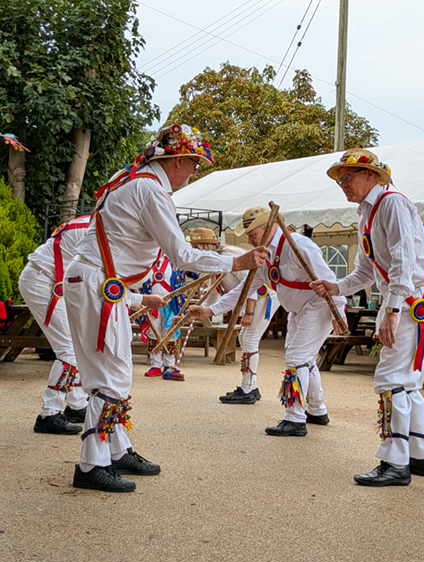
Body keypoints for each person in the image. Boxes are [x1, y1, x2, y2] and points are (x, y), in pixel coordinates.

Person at [64, 124, 268, 493]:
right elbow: (182, 254)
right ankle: (91, 464)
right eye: (194, 164)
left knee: (109, 368)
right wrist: (237, 264)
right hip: (100, 284)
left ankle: (117, 447)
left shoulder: (127, 179)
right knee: (112, 374)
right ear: (177, 160)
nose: (193, 173)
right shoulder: (151, 190)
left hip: (97, 282)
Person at [312, 148, 424, 486]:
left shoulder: (392, 203)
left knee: (391, 378)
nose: (342, 183)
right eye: (339, 179)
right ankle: (420, 456)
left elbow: (403, 260)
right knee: (407, 380)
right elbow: (365, 272)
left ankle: (395, 462)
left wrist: (391, 311)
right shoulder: (367, 215)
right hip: (411, 296)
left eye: (348, 176)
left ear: (371, 176)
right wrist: (336, 286)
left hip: (417, 298)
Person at [186, 207, 347, 436]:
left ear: (270, 226)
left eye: (252, 233)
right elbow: (243, 290)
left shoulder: (298, 245)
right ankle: (317, 410)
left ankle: (295, 419)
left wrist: (338, 312)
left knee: (296, 358)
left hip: (318, 307)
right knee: (305, 359)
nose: (249, 239)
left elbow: (328, 278)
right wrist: (210, 310)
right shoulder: (264, 257)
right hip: (298, 311)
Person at [189, 222, 280, 404]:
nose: (194, 252)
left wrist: (249, 312)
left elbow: (250, 282)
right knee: (245, 338)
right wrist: (200, 312)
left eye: (196, 248)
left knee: (249, 338)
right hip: (251, 297)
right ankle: (250, 386)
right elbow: (213, 293)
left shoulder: (228, 255)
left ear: (204, 246)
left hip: (263, 296)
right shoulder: (214, 262)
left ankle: (248, 389)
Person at [18, 216, 91, 435]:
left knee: (75, 345)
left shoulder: (93, 223)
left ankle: (77, 405)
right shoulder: (94, 229)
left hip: (47, 279)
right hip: (45, 281)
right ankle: (48, 414)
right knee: (68, 349)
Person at [135, 254, 189, 381]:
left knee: (170, 333)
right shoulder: (146, 261)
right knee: (153, 333)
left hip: (171, 304)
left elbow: (193, 271)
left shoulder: (176, 261)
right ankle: (155, 365)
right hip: (150, 305)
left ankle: (169, 365)